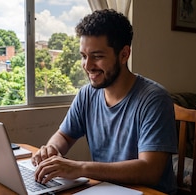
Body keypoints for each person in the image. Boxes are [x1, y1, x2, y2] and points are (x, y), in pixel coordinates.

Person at [32, 9, 178, 194]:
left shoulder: (155, 99)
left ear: (124, 55)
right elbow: (65, 135)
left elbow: (150, 170)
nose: (87, 65)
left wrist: (79, 168)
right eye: (84, 56)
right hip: (105, 189)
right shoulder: (86, 95)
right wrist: (51, 149)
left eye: (97, 56)